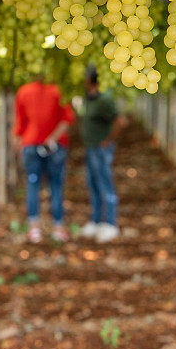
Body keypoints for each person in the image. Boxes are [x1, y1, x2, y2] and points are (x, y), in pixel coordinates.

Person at [13, 76, 75, 243]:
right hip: (56, 146)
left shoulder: (23, 91)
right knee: (56, 184)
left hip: (31, 145)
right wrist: (52, 138)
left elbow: (20, 124)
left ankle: (34, 229)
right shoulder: (59, 91)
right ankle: (58, 228)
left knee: (33, 184)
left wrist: (18, 146)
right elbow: (67, 120)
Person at [80, 67, 127, 243]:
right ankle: (97, 221)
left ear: (91, 79)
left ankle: (110, 224)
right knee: (93, 184)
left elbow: (121, 121)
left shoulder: (105, 99)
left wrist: (109, 140)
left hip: (101, 150)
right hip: (91, 148)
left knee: (105, 184)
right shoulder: (90, 97)